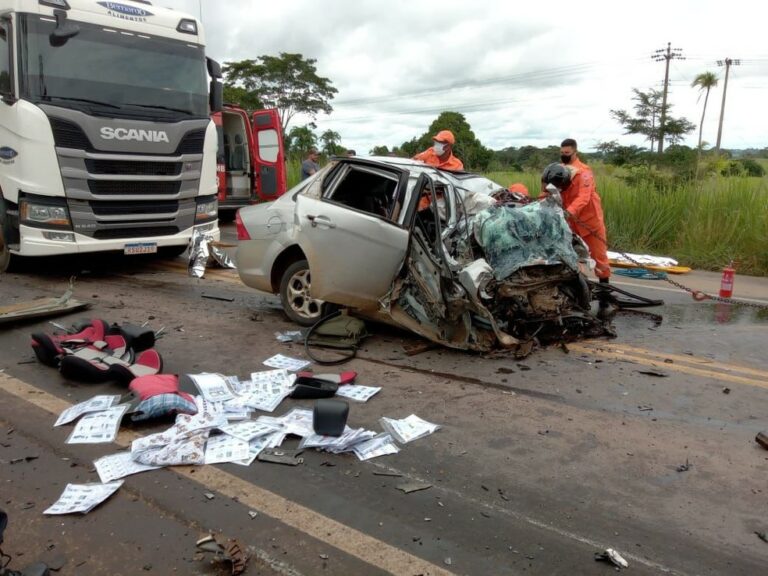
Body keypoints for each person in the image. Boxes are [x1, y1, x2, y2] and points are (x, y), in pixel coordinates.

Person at [542, 138, 611, 283]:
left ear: (575, 152)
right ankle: (576, 286)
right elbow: (549, 191)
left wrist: (568, 212)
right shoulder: (558, 170)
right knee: (569, 254)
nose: (564, 155)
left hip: (589, 221)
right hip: (569, 222)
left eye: (567, 152)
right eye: (561, 152)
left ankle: (605, 288)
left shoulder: (584, 172)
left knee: (599, 257)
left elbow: (583, 197)